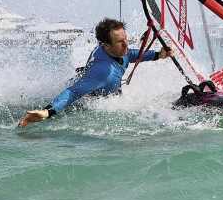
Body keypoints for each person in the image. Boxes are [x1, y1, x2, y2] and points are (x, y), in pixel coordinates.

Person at [18, 18, 171, 127]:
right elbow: (73, 92)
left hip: (100, 84)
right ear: (105, 45)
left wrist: (158, 55)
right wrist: (47, 112)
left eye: (126, 38)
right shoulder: (103, 72)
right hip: (89, 97)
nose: (126, 44)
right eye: (120, 42)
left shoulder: (117, 50)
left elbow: (130, 54)